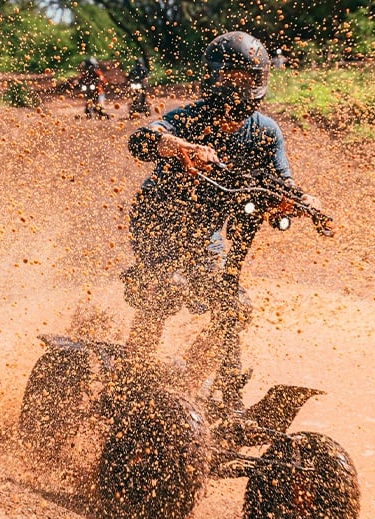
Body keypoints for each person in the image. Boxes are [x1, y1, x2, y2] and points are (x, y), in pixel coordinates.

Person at [121, 31, 323, 413]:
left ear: (261, 82)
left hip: (207, 234)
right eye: (229, 77)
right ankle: (130, 379)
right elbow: (142, 140)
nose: (237, 87)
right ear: (211, 77)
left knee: (233, 306)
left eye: (247, 79)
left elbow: (284, 182)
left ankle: (184, 389)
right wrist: (180, 146)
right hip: (157, 221)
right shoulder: (187, 118)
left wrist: (300, 202)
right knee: (165, 288)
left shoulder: (265, 132)